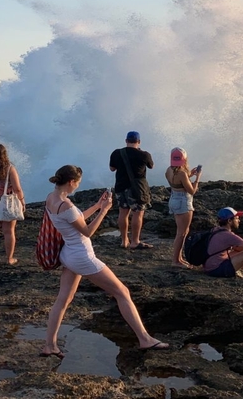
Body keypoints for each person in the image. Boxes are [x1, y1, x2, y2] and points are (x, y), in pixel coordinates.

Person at [42, 165, 169, 358]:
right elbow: (87, 231)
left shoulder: (52, 199)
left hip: (68, 254)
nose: (77, 186)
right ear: (71, 182)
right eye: (77, 183)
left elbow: (75, 220)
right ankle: (145, 339)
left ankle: (49, 345)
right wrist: (105, 211)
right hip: (82, 256)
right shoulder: (66, 204)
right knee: (122, 292)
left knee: (63, 299)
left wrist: (97, 205)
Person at [202, 207, 243, 291]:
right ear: (229, 221)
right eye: (237, 218)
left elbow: (240, 250)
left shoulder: (215, 230)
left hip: (209, 267)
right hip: (217, 270)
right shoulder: (229, 236)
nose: (239, 220)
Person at [109, 131, 154, 249]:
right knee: (137, 214)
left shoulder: (116, 153)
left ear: (126, 141)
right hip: (136, 189)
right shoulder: (144, 155)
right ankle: (135, 241)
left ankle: (124, 241)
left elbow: (112, 168)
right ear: (138, 142)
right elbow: (151, 166)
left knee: (123, 213)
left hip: (120, 187)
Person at [165, 147, 202, 267]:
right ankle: (175, 261)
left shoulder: (169, 170)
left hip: (173, 199)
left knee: (181, 232)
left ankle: (179, 258)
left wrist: (189, 174)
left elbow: (177, 183)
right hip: (183, 201)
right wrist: (197, 178)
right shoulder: (181, 173)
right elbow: (192, 191)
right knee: (181, 233)